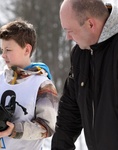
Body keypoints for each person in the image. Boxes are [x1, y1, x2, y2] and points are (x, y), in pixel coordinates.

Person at [0, 18, 58, 150]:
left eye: (8, 50)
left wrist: (14, 130)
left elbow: (47, 127)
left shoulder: (43, 85)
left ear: (27, 50)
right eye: (2, 50)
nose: (3, 55)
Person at [52, 0, 118, 150]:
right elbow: (70, 110)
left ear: (90, 24)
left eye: (70, 30)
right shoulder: (80, 54)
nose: (68, 37)